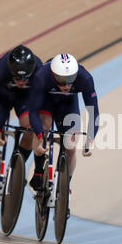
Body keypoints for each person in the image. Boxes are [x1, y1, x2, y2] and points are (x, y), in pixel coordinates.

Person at [0, 45, 43, 215]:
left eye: (24, 79)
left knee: (31, 127)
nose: (20, 82)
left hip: (25, 99)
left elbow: (40, 103)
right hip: (1, 99)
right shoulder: (0, 69)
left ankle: (17, 165)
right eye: (16, 78)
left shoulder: (39, 70)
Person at [27, 53, 100, 197]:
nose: (66, 85)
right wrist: (41, 136)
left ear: (76, 74)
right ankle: (39, 171)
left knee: (71, 146)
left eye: (70, 80)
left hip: (67, 104)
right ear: (53, 74)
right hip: (46, 101)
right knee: (44, 126)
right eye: (61, 80)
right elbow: (33, 111)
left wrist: (90, 140)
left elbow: (94, 113)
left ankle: (66, 185)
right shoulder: (41, 76)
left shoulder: (85, 78)